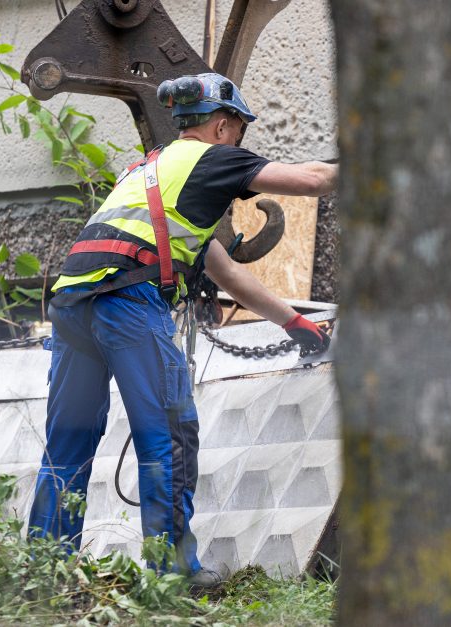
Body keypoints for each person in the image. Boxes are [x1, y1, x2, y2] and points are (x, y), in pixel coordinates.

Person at [27, 72, 338, 588]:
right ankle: (174, 575)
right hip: (126, 301)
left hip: (72, 303)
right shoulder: (215, 159)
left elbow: (225, 271)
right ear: (222, 127)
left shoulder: (150, 172)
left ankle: (42, 571)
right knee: (168, 437)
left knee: (69, 441)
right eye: (239, 133)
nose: (241, 148)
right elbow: (313, 179)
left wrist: (294, 321)